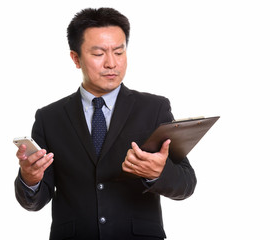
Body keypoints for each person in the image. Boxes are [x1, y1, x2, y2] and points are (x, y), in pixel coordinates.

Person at [14, 7, 197, 240]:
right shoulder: (49, 118)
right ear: (76, 58)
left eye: (119, 52)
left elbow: (187, 184)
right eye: (99, 54)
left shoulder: (154, 108)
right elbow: (34, 202)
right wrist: (30, 180)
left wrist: (158, 173)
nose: (111, 63)